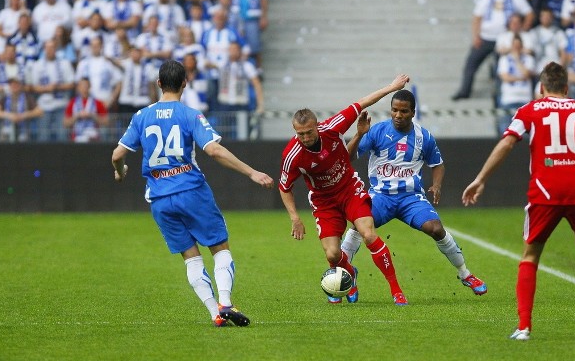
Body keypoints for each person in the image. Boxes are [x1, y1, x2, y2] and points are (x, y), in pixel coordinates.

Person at [461, 62, 575, 340]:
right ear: (567, 88)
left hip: (546, 191)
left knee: (530, 256)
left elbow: (508, 142)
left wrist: (481, 178)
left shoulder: (531, 109)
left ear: (542, 88)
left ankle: (524, 328)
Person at [111, 59, 274, 327]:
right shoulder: (190, 115)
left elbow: (117, 154)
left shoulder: (141, 116)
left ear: (159, 84)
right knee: (220, 249)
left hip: (159, 198)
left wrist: (120, 171)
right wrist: (252, 172)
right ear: (184, 84)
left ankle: (214, 313)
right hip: (191, 191)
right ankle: (225, 303)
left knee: (191, 257)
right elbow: (214, 150)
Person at [339, 89, 488, 297]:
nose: (398, 115)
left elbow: (438, 165)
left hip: (410, 198)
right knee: (358, 225)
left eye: (404, 111)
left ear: (413, 112)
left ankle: (465, 274)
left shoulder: (423, 137)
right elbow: (347, 156)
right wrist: (359, 134)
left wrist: (436, 185)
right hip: (381, 195)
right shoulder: (377, 131)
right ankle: (344, 273)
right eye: (394, 110)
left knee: (435, 228)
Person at [279, 74, 411, 306]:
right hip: (324, 202)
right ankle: (349, 276)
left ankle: (396, 290)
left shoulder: (332, 127)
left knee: (369, 234)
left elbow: (362, 102)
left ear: (317, 126)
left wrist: (392, 87)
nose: (306, 137)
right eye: (300, 134)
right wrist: (294, 217)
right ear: (294, 131)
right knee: (332, 255)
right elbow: (284, 187)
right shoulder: (293, 154)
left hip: (349, 190)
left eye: (309, 132)